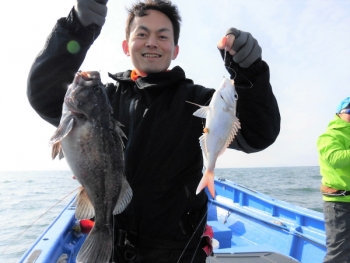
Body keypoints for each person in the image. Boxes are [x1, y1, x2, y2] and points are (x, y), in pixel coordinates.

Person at [27, 0, 280, 262]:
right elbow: (44, 94)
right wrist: (77, 29)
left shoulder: (198, 101)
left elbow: (258, 133)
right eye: (142, 34)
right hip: (112, 247)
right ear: (126, 46)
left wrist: (251, 73)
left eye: (162, 36)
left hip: (177, 252)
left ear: (175, 49)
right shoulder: (100, 101)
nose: (152, 42)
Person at [317, 97, 350, 263]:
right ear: (339, 114)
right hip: (340, 203)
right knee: (338, 254)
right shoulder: (329, 135)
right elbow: (334, 158)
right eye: (349, 110)